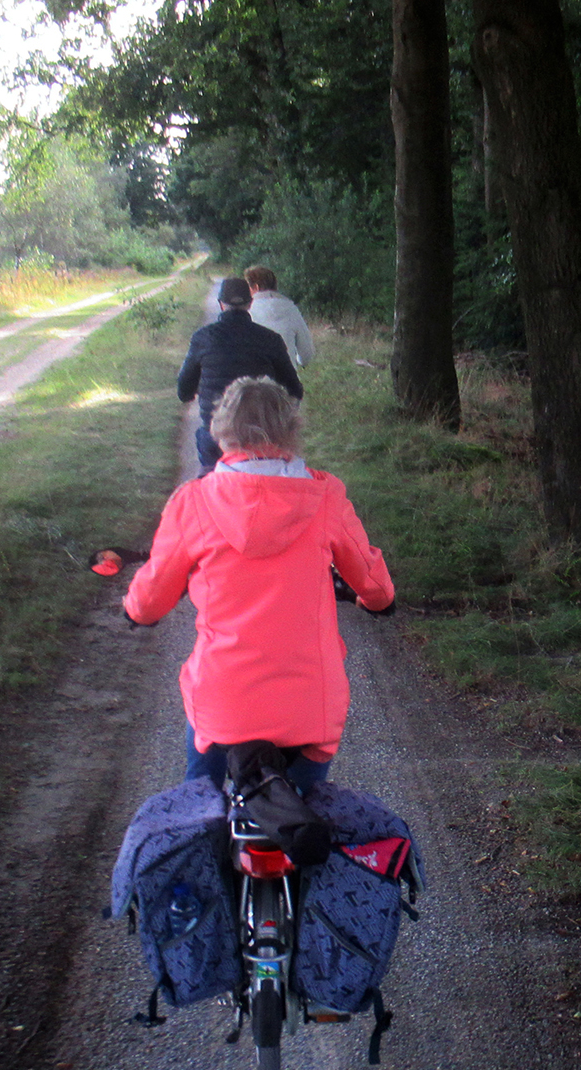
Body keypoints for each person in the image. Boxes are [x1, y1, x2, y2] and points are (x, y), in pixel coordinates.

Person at [124, 377, 395, 793]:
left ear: (221, 429)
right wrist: (375, 600)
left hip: (224, 706)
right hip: (308, 710)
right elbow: (374, 583)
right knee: (306, 811)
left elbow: (150, 599)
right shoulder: (326, 496)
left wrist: (135, 610)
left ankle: (204, 824)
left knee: (199, 804)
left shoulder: (193, 502)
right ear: (292, 427)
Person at [177, 276, 304, 472]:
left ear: (221, 304)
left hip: (217, 434)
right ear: (250, 303)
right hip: (261, 436)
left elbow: (184, 391)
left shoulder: (202, 338)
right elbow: (294, 390)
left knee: (211, 484)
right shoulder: (270, 339)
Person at [243, 264, 315, 370]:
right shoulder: (291, 309)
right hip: (286, 381)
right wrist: (297, 361)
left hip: (255, 381)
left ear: (256, 287)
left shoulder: (246, 313)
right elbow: (307, 352)